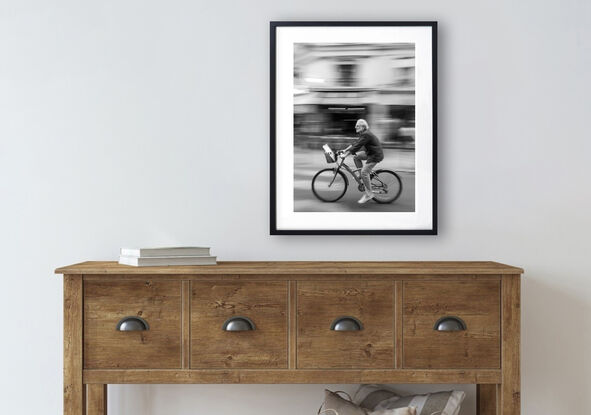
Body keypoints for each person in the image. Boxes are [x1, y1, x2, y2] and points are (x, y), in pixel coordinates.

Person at [341, 119, 384, 204]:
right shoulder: (363, 134)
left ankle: (369, 194)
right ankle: (361, 174)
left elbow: (357, 146)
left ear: (363, 127)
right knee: (356, 157)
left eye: (357, 125)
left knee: (365, 172)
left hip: (375, 155)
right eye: (356, 125)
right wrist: (344, 150)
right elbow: (355, 143)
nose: (355, 127)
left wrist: (346, 155)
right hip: (370, 153)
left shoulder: (366, 134)